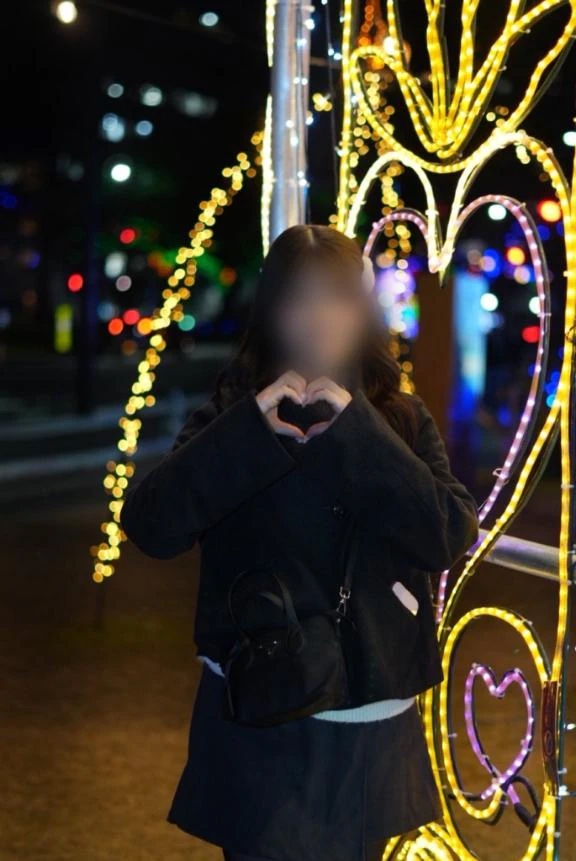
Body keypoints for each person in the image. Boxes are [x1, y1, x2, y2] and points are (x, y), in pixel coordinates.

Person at [121, 225, 478, 861]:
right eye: (298, 298)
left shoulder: (398, 416)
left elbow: (447, 534)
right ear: (271, 310)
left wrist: (358, 433)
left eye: (337, 297)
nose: (319, 317)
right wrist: (247, 434)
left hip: (364, 714)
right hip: (260, 705)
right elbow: (152, 525)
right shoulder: (236, 408)